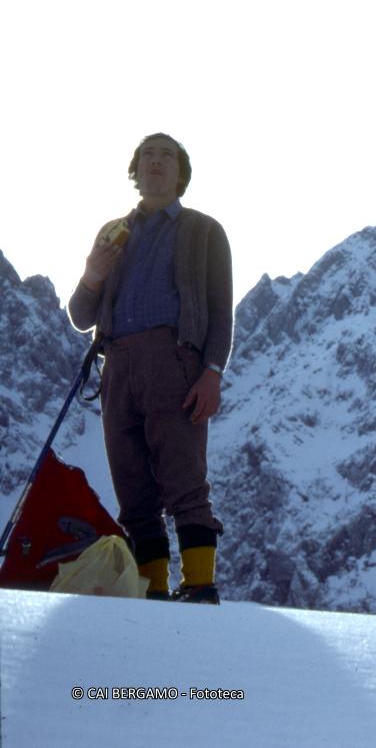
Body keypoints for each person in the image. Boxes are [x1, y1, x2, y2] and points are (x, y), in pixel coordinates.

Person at [68, 133, 232, 604]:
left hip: (173, 359)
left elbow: (222, 312)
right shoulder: (111, 232)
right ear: (134, 171)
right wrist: (92, 273)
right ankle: (153, 590)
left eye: (166, 157)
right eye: (147, 157)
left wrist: (212, 371)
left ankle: (199, 585)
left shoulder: (204, 230)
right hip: (116, 363)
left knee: (184, 477)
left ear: (181, 173)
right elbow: (81, 316)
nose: (156, 163)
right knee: (132, 484)